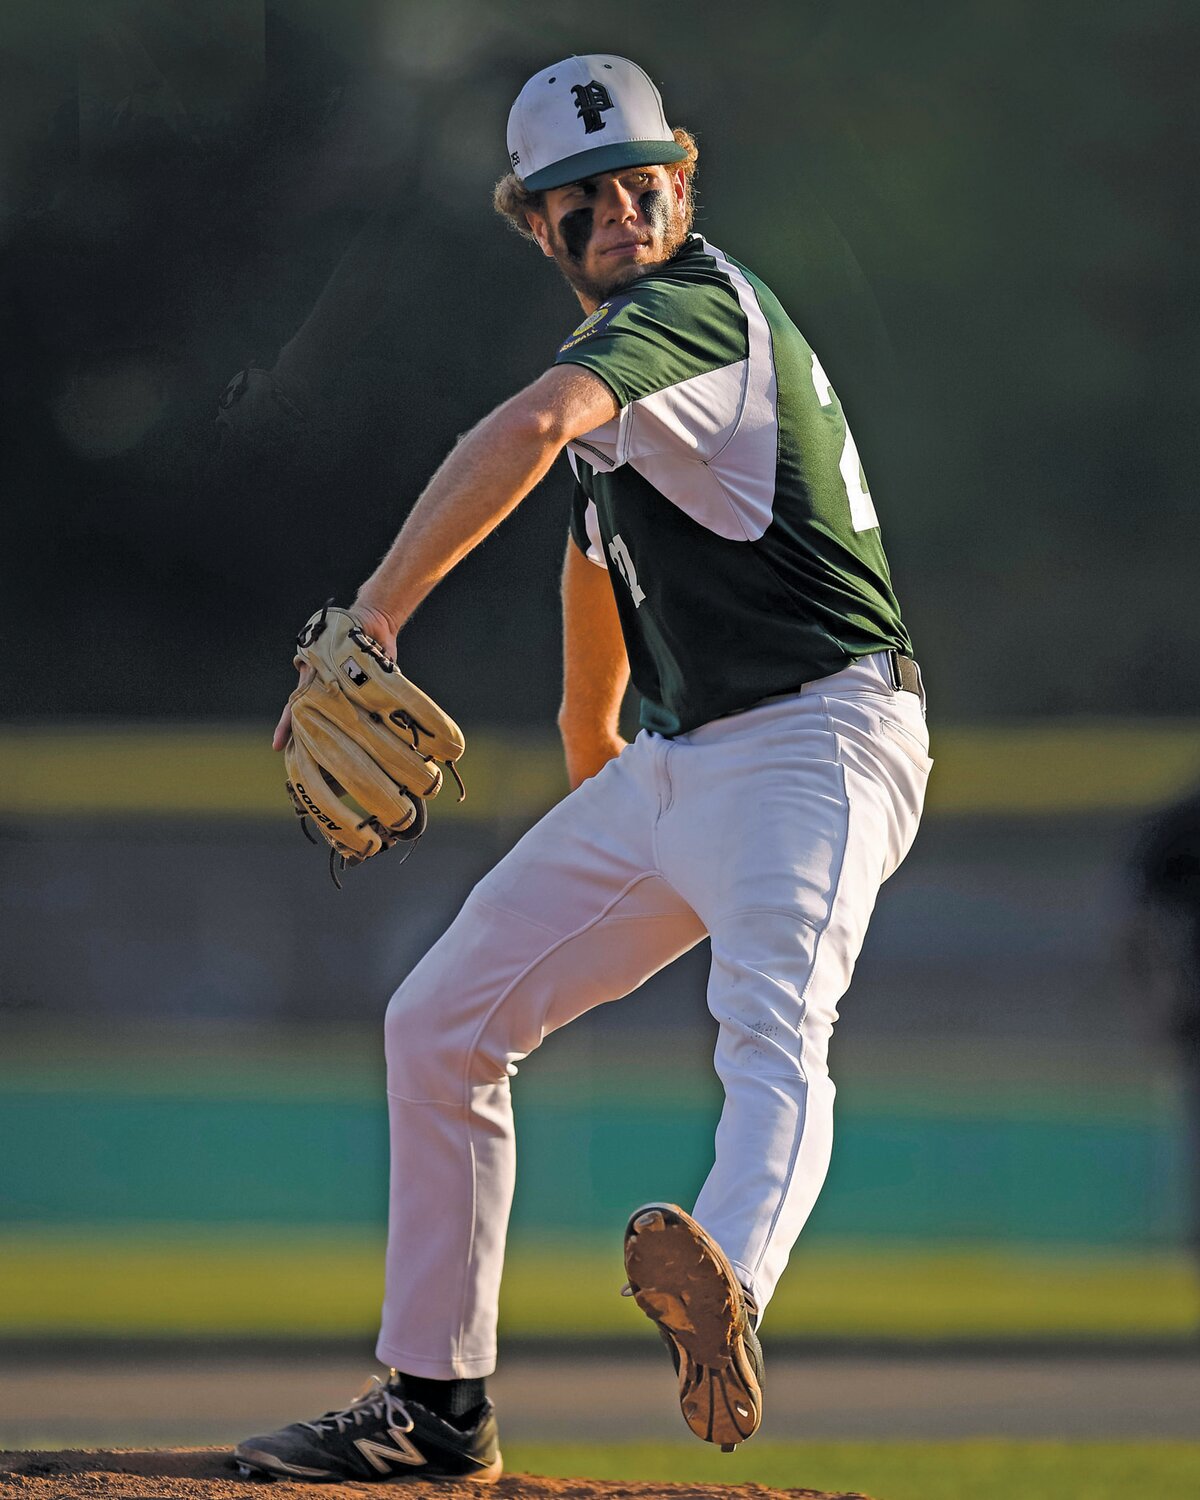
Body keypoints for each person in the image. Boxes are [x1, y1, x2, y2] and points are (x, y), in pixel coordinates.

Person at [235, 53, 931, 1483]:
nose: (618, 209)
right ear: (535, 225)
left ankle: (726, 1283)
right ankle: (435, 1406)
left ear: (683, 184)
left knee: (773, 1026)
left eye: (639, 182)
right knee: (439, 1025)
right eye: (580, 199)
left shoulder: (688, 313)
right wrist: (585, 743)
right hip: (677, 767)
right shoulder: (633, 366)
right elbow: (590, 540)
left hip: (819, 738)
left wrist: (378, 611)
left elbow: (536, 428)